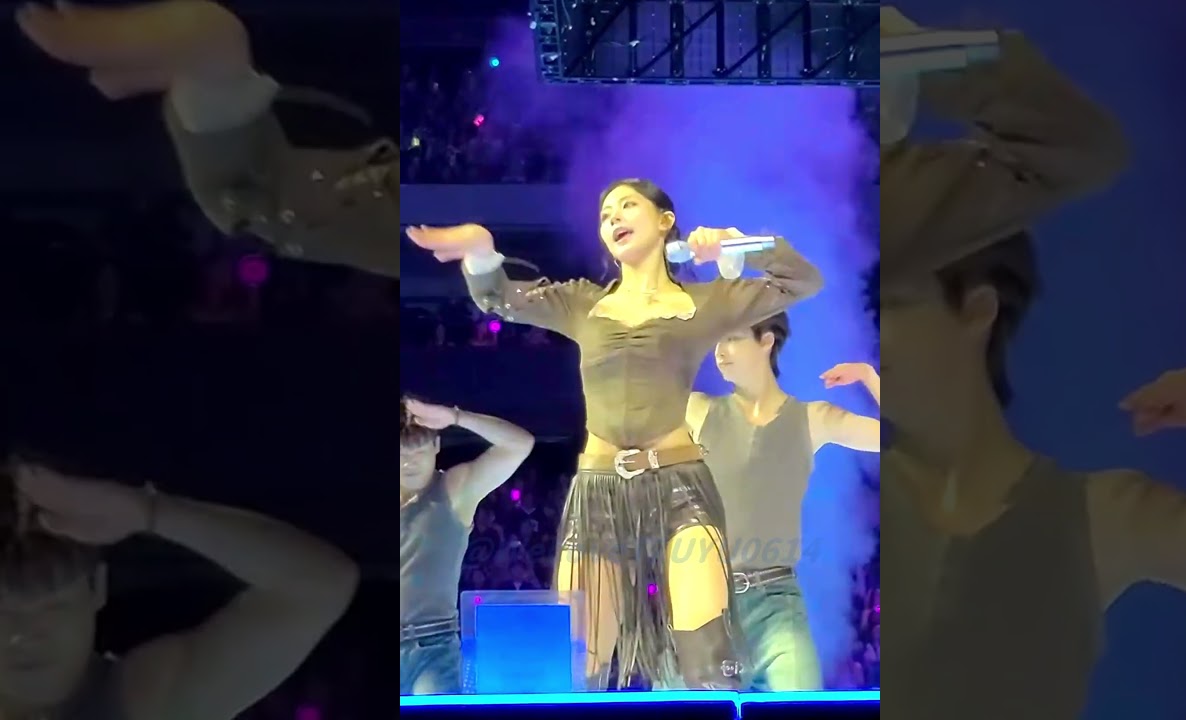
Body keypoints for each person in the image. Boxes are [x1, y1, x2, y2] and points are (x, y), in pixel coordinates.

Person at [877, 7, 1186, 719]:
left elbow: (1079, 146)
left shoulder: (1096, 522)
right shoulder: (840, 506)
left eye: (885, 308)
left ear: (975, 309)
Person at [407, 179, 824, 690]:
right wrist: (480, 251)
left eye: (627, 206)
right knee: (576, 667)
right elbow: (499, 299)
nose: (613, 218)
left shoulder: (706, 302)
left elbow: (803, 281)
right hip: (598, 493)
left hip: (680, 492)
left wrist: (742, 244)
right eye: (605, 214)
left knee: (707, 662)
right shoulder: (582, 302)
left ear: (665, 222)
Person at [17, 0, 399, 279]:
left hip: (253, 183)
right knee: (213, 39)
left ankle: (107, 56)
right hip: (292, 135)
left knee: (212, 32)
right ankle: (145, 74)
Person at [0, 460, 357, 720]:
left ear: (98, 588)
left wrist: (149, 512)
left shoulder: (148, 701)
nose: (25, 634)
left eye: (54, 606)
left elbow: (320, 587)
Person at [679, 313, 879, 691]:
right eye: (717, 340)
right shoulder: (697, 411)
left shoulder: (813, 419)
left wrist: (870, 377)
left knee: (799, 705)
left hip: (776, 607)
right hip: (703, 607)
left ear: (766, 341)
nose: (720, 352)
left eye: (732, 338)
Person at [400, 398, 534, 695]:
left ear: (436, 445)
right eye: (402, 452)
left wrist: (455, 417)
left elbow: (520, 444)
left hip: (432, 648)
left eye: (419, 450)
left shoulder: (454, 490)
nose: (410, 461)